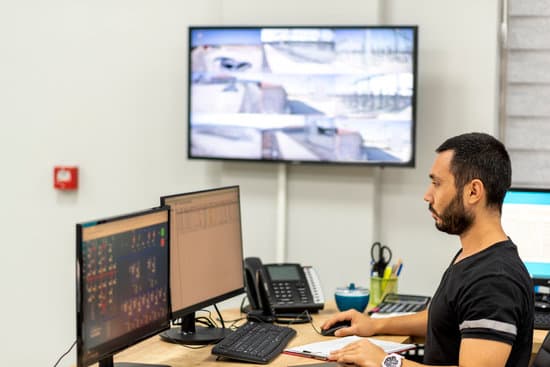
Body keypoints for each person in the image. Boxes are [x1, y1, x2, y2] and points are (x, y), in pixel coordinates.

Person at [322, 132, 534, 367]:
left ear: (473, 191)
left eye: (437, 183)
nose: (427, 195)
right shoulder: (474, 257)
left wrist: (387, 362)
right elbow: (445, 317)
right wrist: (375, 325)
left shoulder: (494, 279)